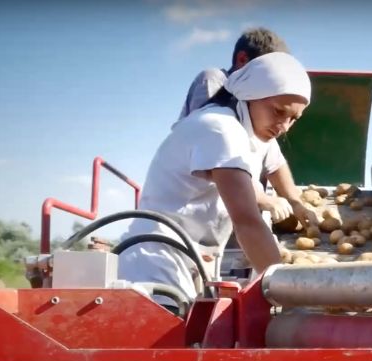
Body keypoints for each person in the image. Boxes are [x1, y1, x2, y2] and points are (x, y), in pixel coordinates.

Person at [118, 52, 312, 309]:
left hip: (192, 261)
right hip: (158, 264)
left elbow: (276, 164)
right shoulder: (220, 128)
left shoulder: (253, 129)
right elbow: (247, 222)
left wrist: (296, 202)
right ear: (249, 94)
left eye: (293, 119)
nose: (285, 126)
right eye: (279, 112)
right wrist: (290, 296)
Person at [176, 27, 312, 233]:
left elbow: (275, 163)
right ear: (242, 59)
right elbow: (215, 152)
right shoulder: (214, 82)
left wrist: (295, 202)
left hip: (228, 216)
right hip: (192, 212)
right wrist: (264, 199)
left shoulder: (256, 114)